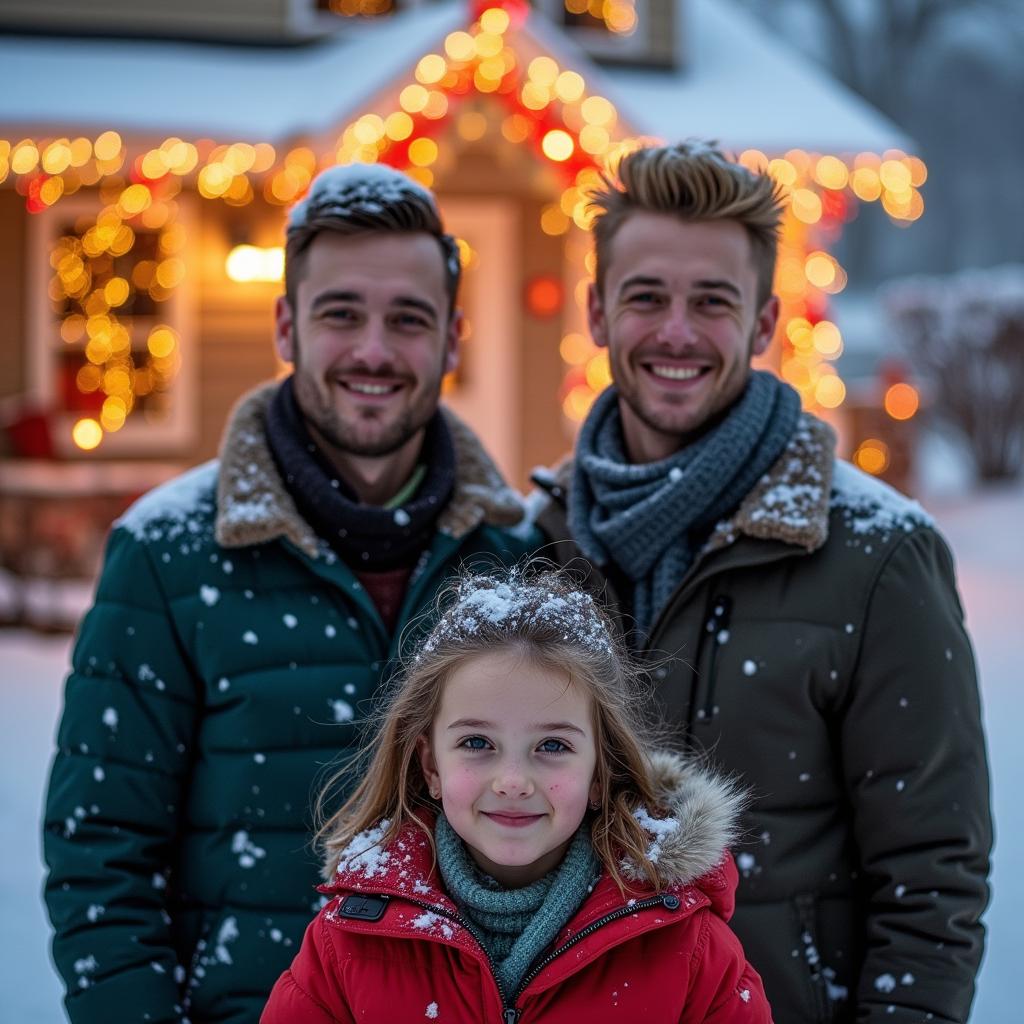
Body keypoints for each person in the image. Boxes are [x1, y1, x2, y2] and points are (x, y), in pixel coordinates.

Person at [42, 164, 536, 1024]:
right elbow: (100, 857)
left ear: (454, 340)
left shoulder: (517, 556)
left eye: (408, 320)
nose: (373, 351)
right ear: (286, 325)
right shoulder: (166, 554)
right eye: (340, 313)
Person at [531, 141, 992, 1023]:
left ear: (764, 320)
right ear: (596, 311)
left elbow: (934, 877)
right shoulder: (540, 544)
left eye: (713, 300)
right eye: (645, 297)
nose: (677, 331)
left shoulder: (877, 554)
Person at [261, 568, 772, 1023]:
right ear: (431, 764)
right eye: (477, 743)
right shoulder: (345, 943)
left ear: (600, 771)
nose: (512, 780)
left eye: (552, 745)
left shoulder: (689, 949)